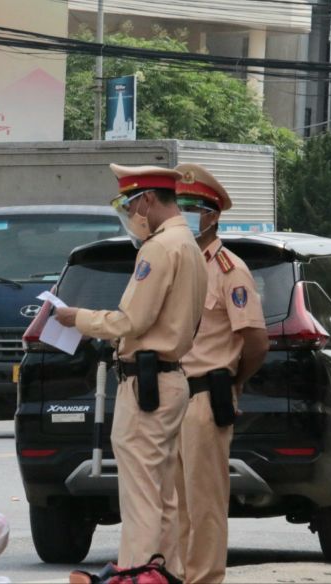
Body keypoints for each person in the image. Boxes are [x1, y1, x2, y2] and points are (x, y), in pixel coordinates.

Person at [56, 164, 207, 575]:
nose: (130, 213)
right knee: (163, 495)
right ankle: (166, 575)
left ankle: (137, 576)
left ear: (148, 200)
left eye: (131, 203)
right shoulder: (189, 245)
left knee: (141, 496)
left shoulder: (159, 248)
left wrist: (78, 319)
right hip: (169, 379)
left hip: (147, 384)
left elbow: (131, 322)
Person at [173, 163, 269, 583]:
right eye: (180, 206)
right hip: (169, 395)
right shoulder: (178, 262)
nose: (185, 215)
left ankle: (205, 578)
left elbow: (255, 340)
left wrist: (234, 380)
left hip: (205, 398)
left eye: (192, 207)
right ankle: (175, 574)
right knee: (171, 502)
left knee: (204, 501)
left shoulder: (230, 269)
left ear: (212, 214)